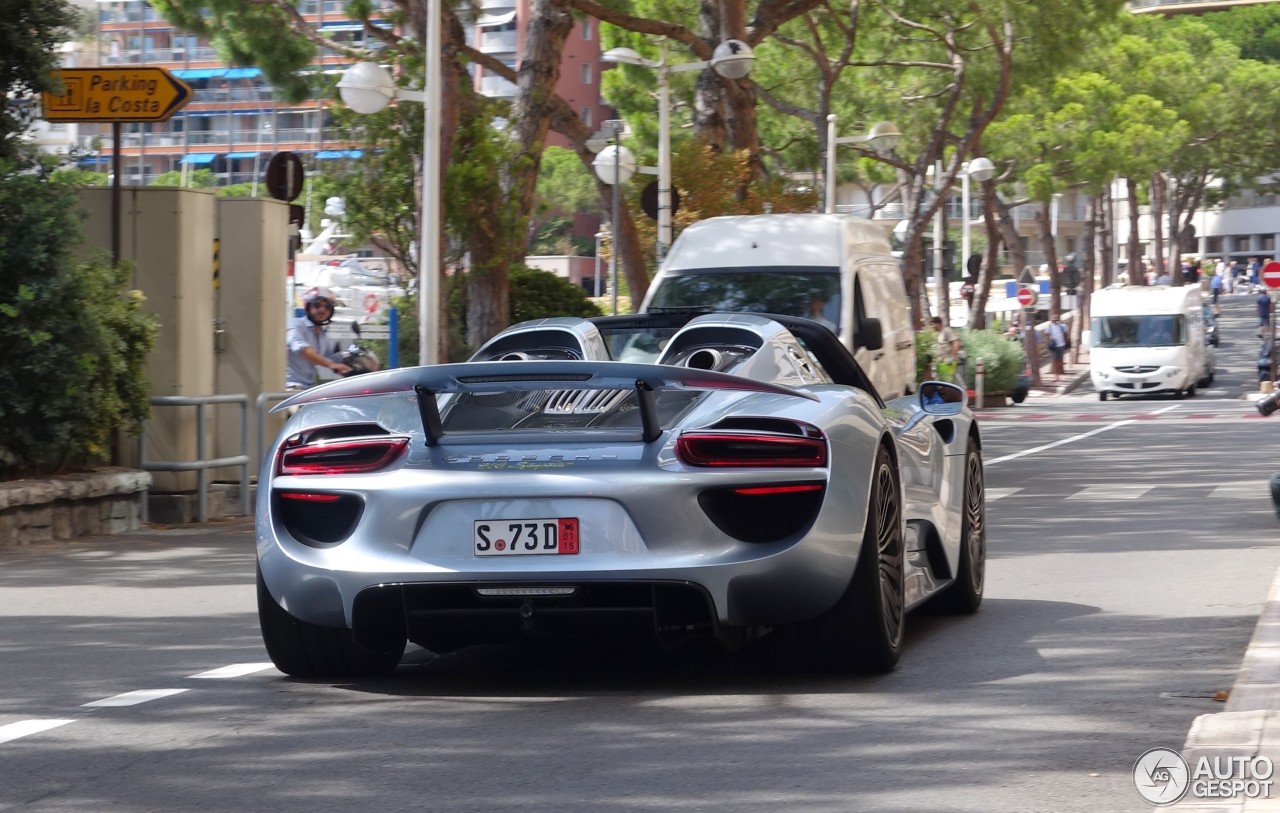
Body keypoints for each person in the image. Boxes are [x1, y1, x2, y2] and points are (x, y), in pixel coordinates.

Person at [286, 286, 351, 390]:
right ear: (308, 308)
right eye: (317, 305)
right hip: (290, 388)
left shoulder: (322, 335)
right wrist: (332, 365)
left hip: (308, 389)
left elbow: (330, 358)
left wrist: (352, 356)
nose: (322, 310)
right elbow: (303, 350)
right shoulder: (296, 324)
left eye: (327, 307)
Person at [930, 316, 961, 383]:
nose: (932, 327)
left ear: (938, 323)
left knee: (951, 383)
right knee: (944, 383)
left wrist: (953, 357)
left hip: (949, 363)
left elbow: (956, 343)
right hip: (943, 363)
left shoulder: (947, 331)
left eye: (933, 324)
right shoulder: (939, 334)